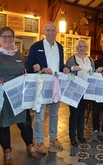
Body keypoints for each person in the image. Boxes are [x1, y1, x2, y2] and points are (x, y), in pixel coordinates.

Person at [0, 27, 38, 165]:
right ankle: (7, 154)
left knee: (25, 123)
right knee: (3, 125)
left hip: (18, 94)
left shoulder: (18, 55)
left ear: (14, 38)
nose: (7, 39)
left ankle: (30, 146)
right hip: (0, 96)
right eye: (4, 36)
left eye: (10, 36)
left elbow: (24, 70)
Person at [27, 22, 70, 153]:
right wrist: (38, 68)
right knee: (39, 116)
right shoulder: (36, 46)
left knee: (54, 114)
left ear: (56, 32)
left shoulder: (60, 47)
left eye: (53, 31)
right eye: (48, 30)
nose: (51, 33)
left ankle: (53, 138)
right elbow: (29, 65)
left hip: (56, 85)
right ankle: (39, 142)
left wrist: (65, 68)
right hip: (42, 85)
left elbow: (60, 65)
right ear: (44, 31)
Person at [66, 39, 95, 146]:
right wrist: (72, 68)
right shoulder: (71, 59)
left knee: (82, 114)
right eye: (80, 46)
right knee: (74, 114)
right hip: (74, 90)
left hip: (86, 91)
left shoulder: (90, 60)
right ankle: (73, 137)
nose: (82, 48)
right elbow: (66, 71)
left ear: (87, 48)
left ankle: (81, 136)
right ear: (77, 48)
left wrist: (97, 72)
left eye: (84, 46)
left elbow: (93, 73)